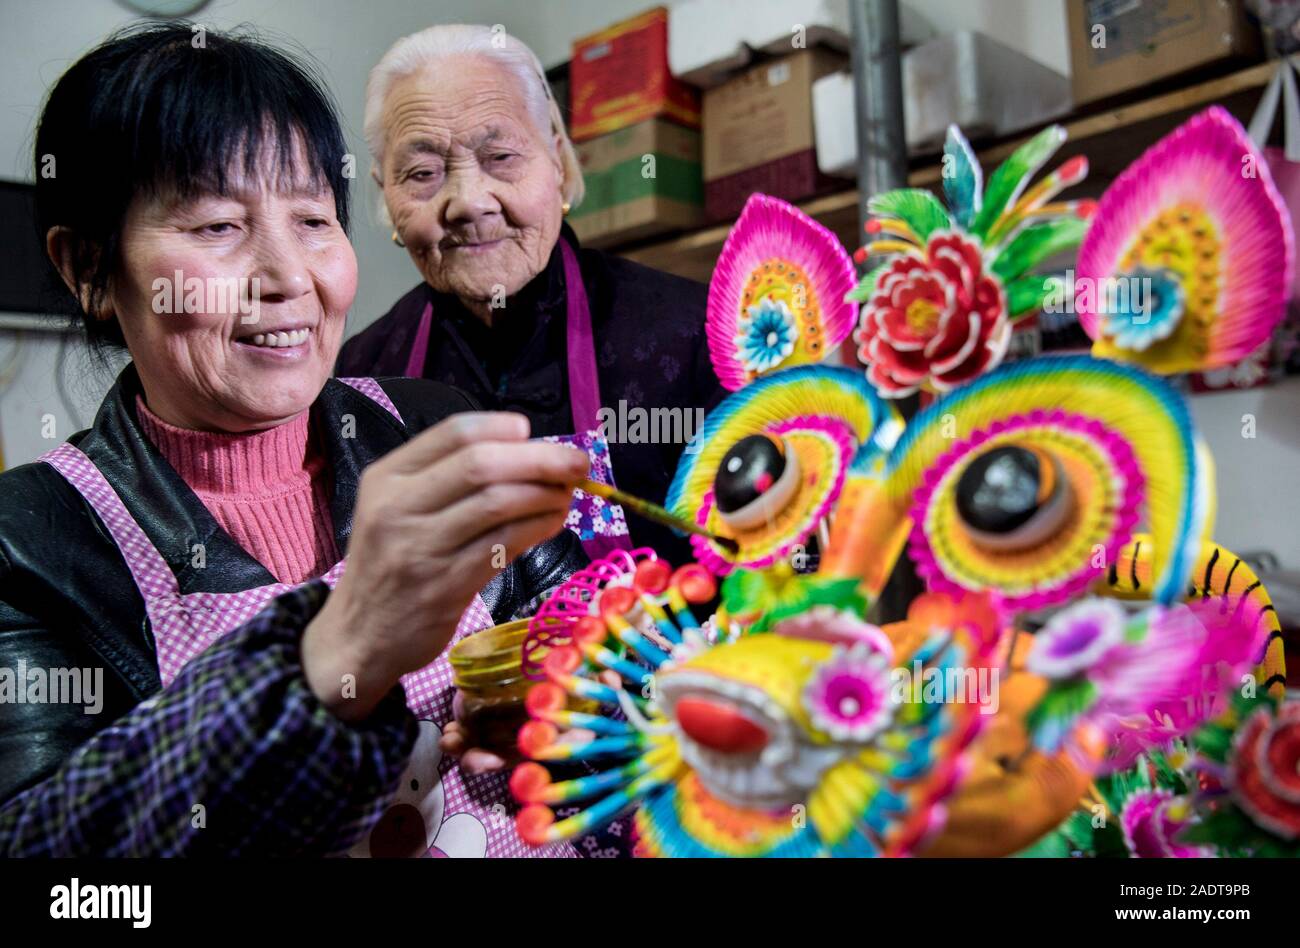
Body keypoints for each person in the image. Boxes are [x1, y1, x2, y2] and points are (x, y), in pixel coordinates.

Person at [0, 24, 592, 858]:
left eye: (313, 219)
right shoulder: (30, 543)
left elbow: (600, 643)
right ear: (89, 269)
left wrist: (577, 705)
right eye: (215, 228)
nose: (288, 278)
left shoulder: (427, 424)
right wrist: (337, 647)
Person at [336, 24, 726, 562]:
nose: (468, 201)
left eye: (500, 157)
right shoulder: (360, 376)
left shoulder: (691, 333)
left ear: (561, 166)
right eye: (423, 172)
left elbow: (768, 562)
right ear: (388, 200)